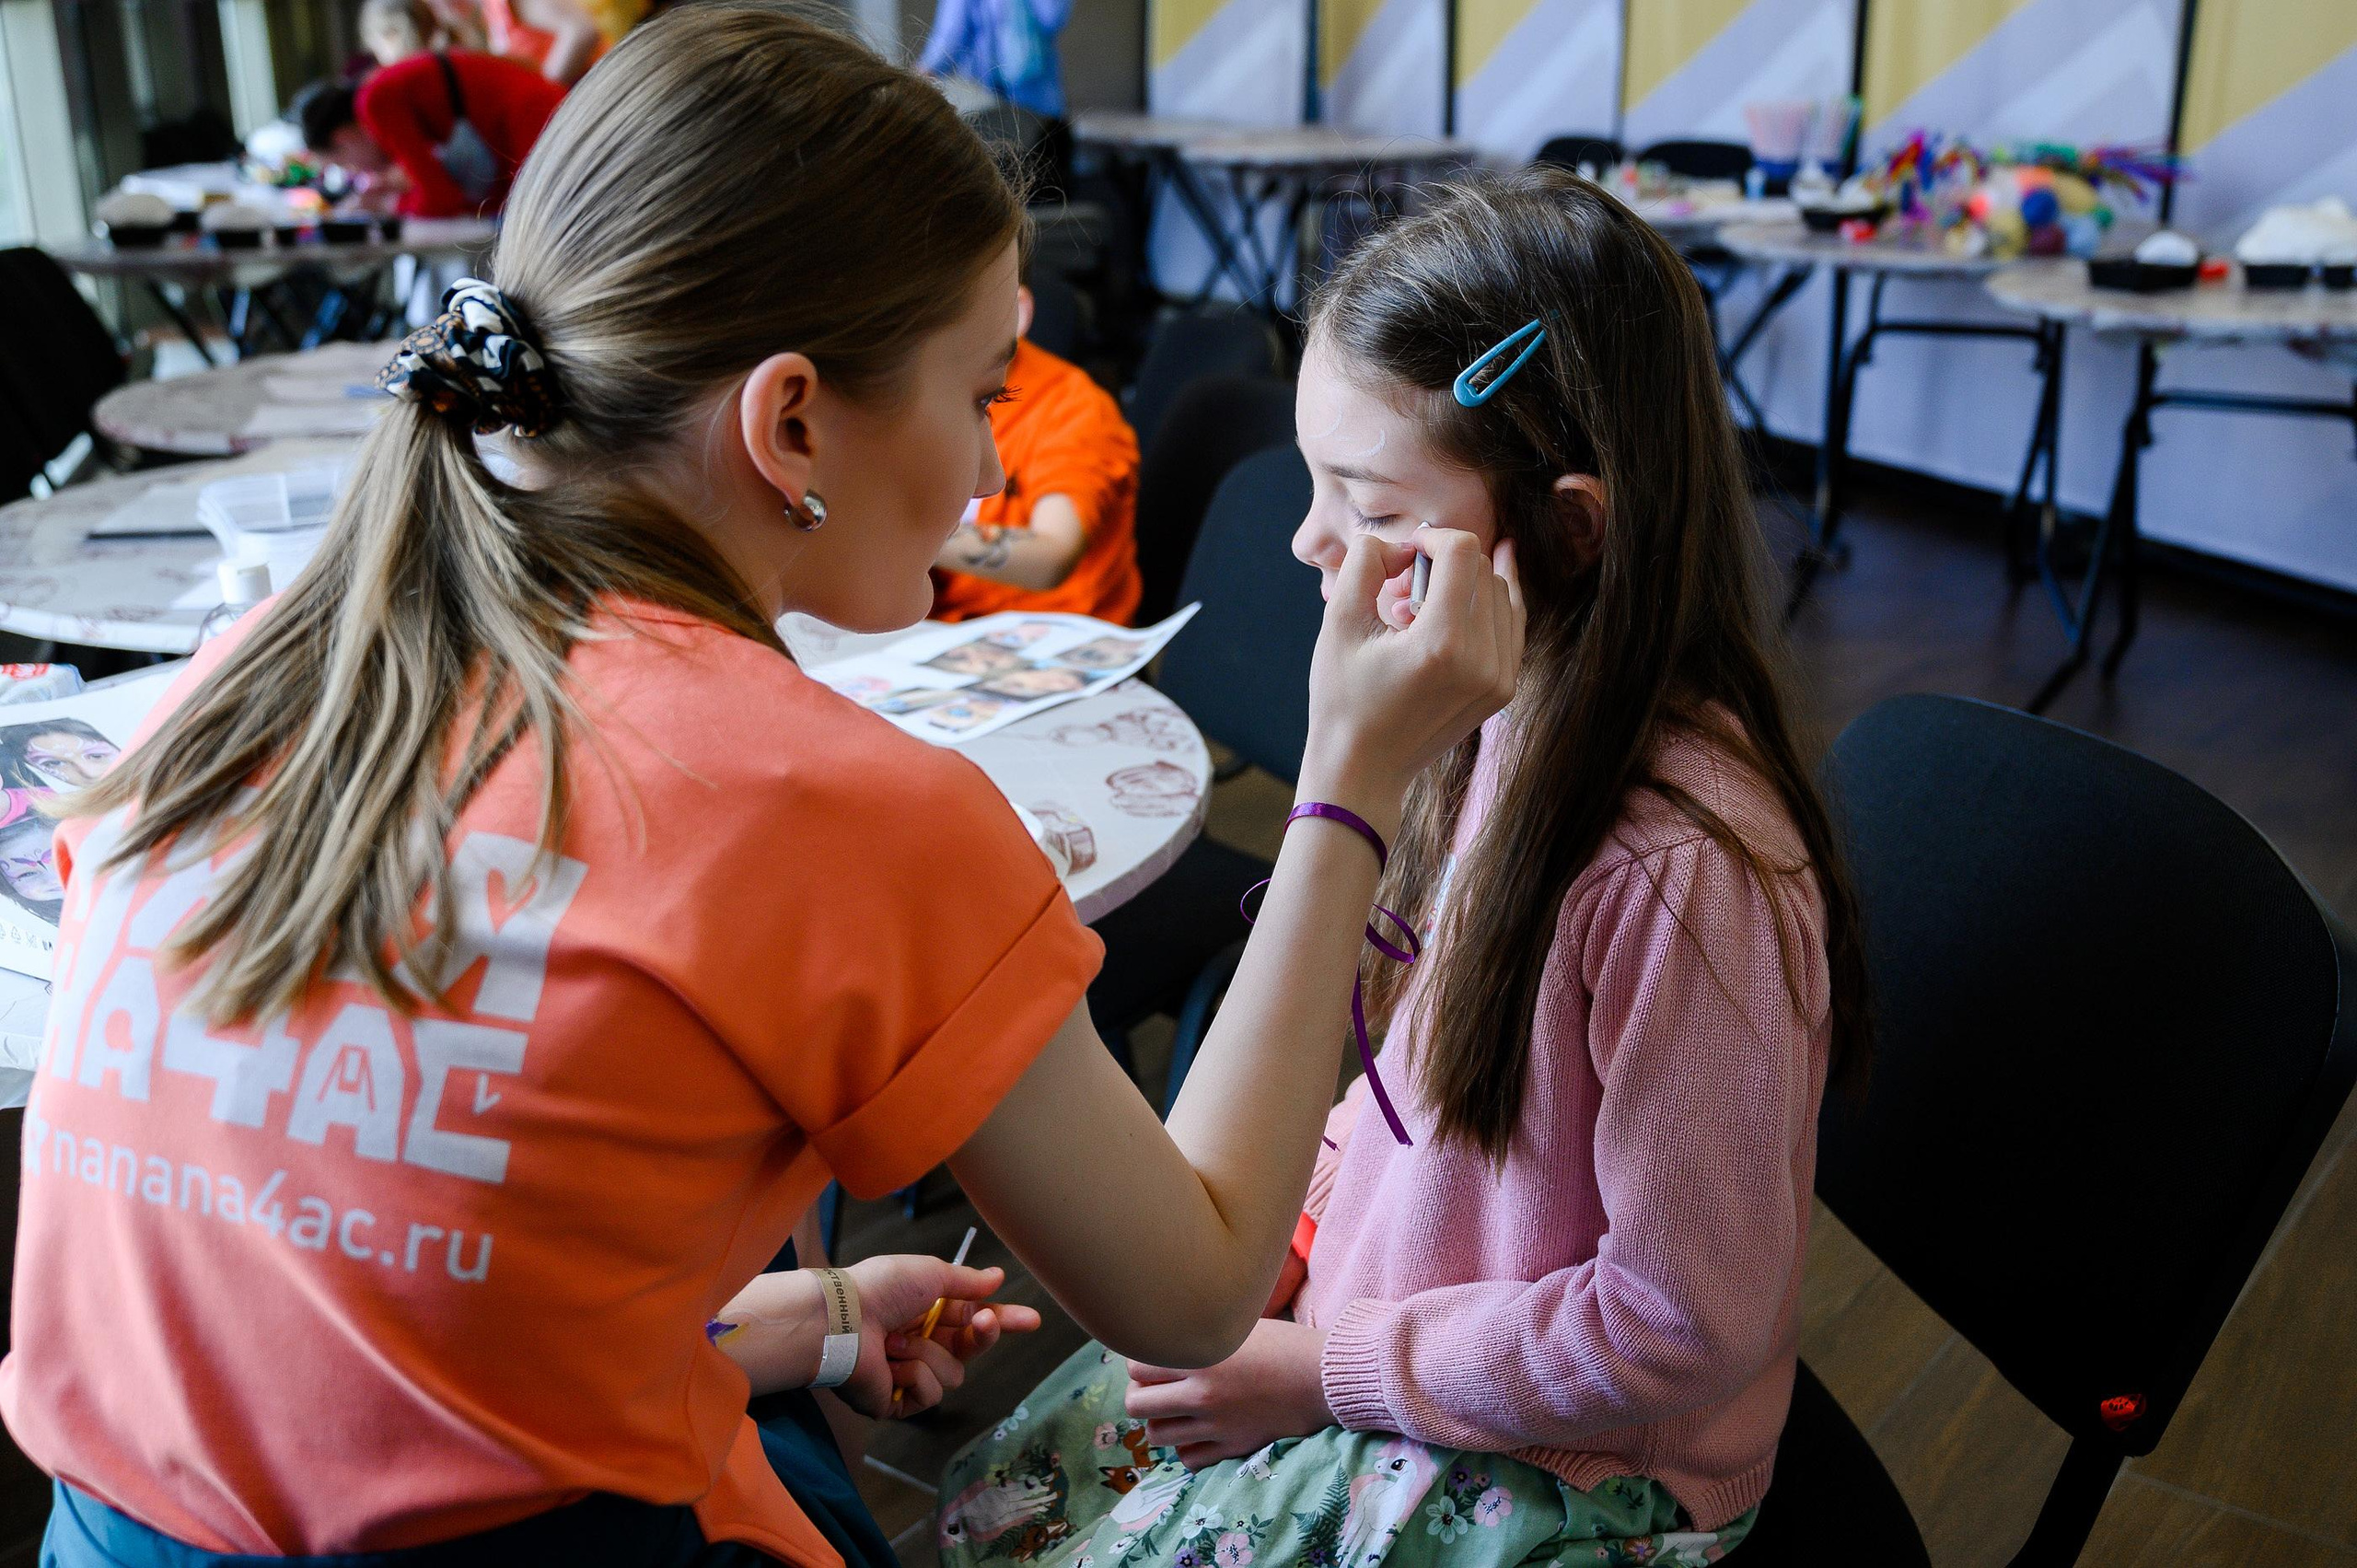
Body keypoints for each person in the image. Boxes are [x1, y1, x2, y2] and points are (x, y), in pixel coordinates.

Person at [0, 7, 1523, 1568]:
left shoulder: (241, 678)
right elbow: (1193, 1290)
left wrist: (813, 1312)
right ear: (792, 419)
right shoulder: (832, 805)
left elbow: (378, 1309)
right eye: (982, 395)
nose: (987, 473)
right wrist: (1354, 775)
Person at [944, 170, 1870, 1568]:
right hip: (1396, 1327)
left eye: (1364, 498)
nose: (1307, 539)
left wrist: (1328, 1369)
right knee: (1002, 1505)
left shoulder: (1682, 875)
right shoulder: (1479, 725)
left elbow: (1680, 1321)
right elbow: (1401, 1084)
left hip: (1583, 1464)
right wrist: (1299, 1224)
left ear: (1567, 530)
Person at [932, 285, 1141, 623]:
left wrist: (902, 533)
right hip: (940, 618)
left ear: (1014, 313)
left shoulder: (1074, 409)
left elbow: (1053, 554)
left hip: (1051, 628)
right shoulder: (914, 391)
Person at [294, 49, 565, 218]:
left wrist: (386, 204)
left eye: (344, 163)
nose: (358, 171)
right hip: (534, 120)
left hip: (537, 123)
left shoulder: (373, 103)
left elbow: (441, 197)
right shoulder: (374, 89)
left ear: (342, 138)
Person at [918, 0, 1071, 119]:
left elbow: (1053, 18)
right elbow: (950, 35)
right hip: (984, 93)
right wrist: (924, 72)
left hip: (1038, 93)